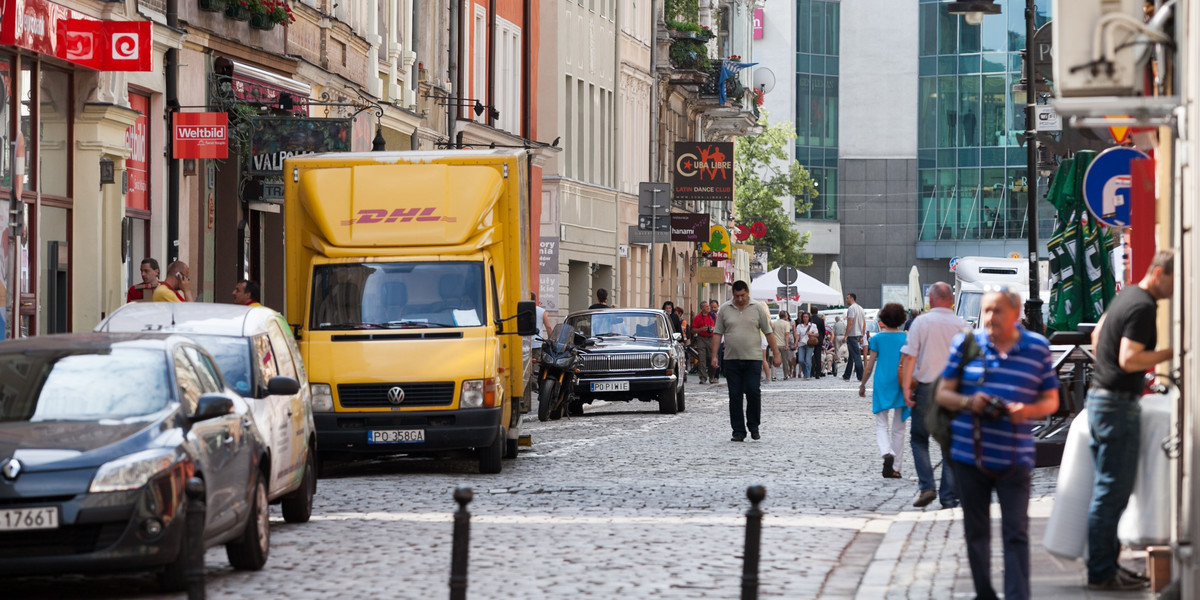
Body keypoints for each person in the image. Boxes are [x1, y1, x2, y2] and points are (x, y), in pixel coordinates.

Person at [936, 287, 1060, 600]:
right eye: (987, 310)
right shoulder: (966, 343)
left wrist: (1026, 411)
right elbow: (943, 394)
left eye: (997, 310)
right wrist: (969, 402)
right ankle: (984, 594)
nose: (989, 317)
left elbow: (1051, 400)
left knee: (1015, 532)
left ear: (1016, 314)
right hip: (969, 454)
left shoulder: (1037, 348)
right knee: (976, 531)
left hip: (1015, 457)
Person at [1084, 250, 1174, 592]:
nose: (1174, 289)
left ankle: (1106, 566)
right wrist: (1174, 352)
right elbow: (1130, 358)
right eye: (1174, 281)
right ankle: (1102, 572)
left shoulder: (1127, 295)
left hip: (1100, 400)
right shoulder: (1144, 306)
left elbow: (1097, 336)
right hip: (1117, 405)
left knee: (1106, 491)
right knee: (1111, 492)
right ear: (1160, 274)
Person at [900, 281, 966, 509]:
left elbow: (910, 356)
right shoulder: (962, 325)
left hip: (927, 388)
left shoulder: (922, 322)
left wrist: (907, 387)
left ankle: (927, 486)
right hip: (954, 390)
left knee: (919, 439)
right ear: (951, 300)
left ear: (931, 300)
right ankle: (949, 496)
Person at [711, 281, 780, 442]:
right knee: (734, 395)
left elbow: (768, 332)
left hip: (753, 358)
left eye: (743, 295)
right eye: (737, 296)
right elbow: (717, 333)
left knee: (753, 392)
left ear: (747, 292)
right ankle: (738, 430)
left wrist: (776, 354)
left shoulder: (757, 308)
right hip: (731, 359)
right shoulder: (725, 309)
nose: (740, 299)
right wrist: (714, 356)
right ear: (733, 294)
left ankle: (754, 425)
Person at [859, 303, 910, 479]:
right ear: (902, 319)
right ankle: (895, 467)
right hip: (901, 382)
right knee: (899, 427)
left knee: (881, 423)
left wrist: (863, 384)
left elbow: (869, 366)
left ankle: (886, 452)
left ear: (883, 319)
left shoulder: (877, 339)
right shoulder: (906, 338)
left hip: (882, 383)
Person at [691, 301, 716, 384]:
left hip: (711, 338)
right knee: (702, 359)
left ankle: (711, 376)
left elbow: (718, 326)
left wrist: (713, 328)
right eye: (706, 306)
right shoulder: (697, 318)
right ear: (702, 308)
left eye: (708, 306)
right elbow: (693, 330)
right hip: (701, 338)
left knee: (711, 357)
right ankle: (703, 378)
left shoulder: (713, 316)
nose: (708, 307)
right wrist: (700, 329)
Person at [842, 293, 866, 381]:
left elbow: (850, 322)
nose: (846, 300)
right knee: (852, 356)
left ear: (852, 298)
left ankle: (861, 376)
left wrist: (846, 335)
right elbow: (864, 322)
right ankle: (846, 375)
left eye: (847, 298)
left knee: (856, 356)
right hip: (859, 334)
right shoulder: (861, 308)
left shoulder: (851, 308)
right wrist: (862, 335)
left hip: (852, 334)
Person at [770, 309, 792, 381]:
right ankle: (786, 375)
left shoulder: (774, 323)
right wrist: (786, 344)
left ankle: (773, 375)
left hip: (775, 344)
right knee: (785, 360)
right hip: (783, 344)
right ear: (785, 316)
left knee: (774, 360)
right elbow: (787, 334)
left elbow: (772, 333)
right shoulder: (786, 324)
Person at [796, 311, 818, 380]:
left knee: (808, 360)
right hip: (801, 344)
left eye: (806, 317)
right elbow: (797, 335)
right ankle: (805, 372)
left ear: (809, 318)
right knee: (801, 360)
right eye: (804, 317)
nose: (805, 318)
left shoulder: (813, 325)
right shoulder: (799, 326)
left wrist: (810, 334)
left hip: (809, 344)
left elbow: (817, 334)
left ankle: (807, 375)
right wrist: (796, 342)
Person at [810, 308, 826, 378]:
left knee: (809, 356)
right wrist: (822, 338)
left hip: (810, 339)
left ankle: (811, 372)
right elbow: (823, 331)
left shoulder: (809, 319)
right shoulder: (821, 320)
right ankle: (818, 373)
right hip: (819, 339)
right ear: (817, 312)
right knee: (818, 356)